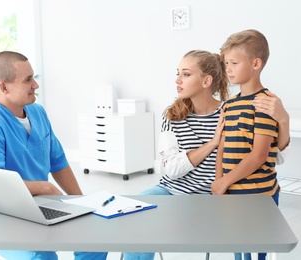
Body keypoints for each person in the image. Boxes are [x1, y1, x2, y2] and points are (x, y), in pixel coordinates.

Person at [123, 49, 289, 260]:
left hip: (215, 197)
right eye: (178, 73)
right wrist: (212, 144)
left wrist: (283, 120)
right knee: (134, 216)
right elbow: (172, 170)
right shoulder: (172, 116)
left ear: (206, 81)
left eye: (186, 74)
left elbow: (273, 157)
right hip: (171, 191)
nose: (177, 80)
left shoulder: (231, 111)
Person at [0, 51, 107, 260]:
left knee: (95, 238)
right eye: (27, 80)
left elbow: (58, 161)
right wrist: (44, 187)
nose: (36, 85)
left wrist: (80, 202)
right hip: (3, 215)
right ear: (4, 87)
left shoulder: (38, 112)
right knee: (41, 256)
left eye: (33, 77)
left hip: (43, 205)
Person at [211, 29, 282, 260]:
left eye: (233, 62)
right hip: (232, 193)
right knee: (240, 252)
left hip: (259, 196)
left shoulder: (265, 103)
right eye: (225, 63)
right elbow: (221, 146)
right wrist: (219, 182)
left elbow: (259, 155)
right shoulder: (229, 105)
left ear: (256, 63)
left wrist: (225, 181)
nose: (228, 68)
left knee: (257, 250)